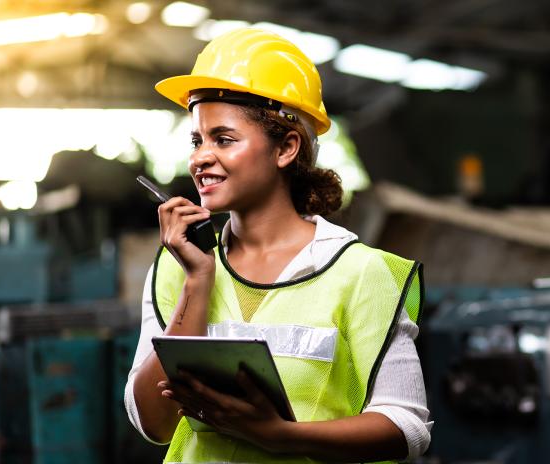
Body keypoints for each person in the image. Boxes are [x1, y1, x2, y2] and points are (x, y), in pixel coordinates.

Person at [124, 28, 432, 463]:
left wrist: (283, 436)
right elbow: (153, 424)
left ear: (286, 147)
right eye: (197, 140)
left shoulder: (359, 272)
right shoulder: (179, 264)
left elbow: (408, 428)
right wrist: (198, 280)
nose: (200, 157)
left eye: (223, 139)